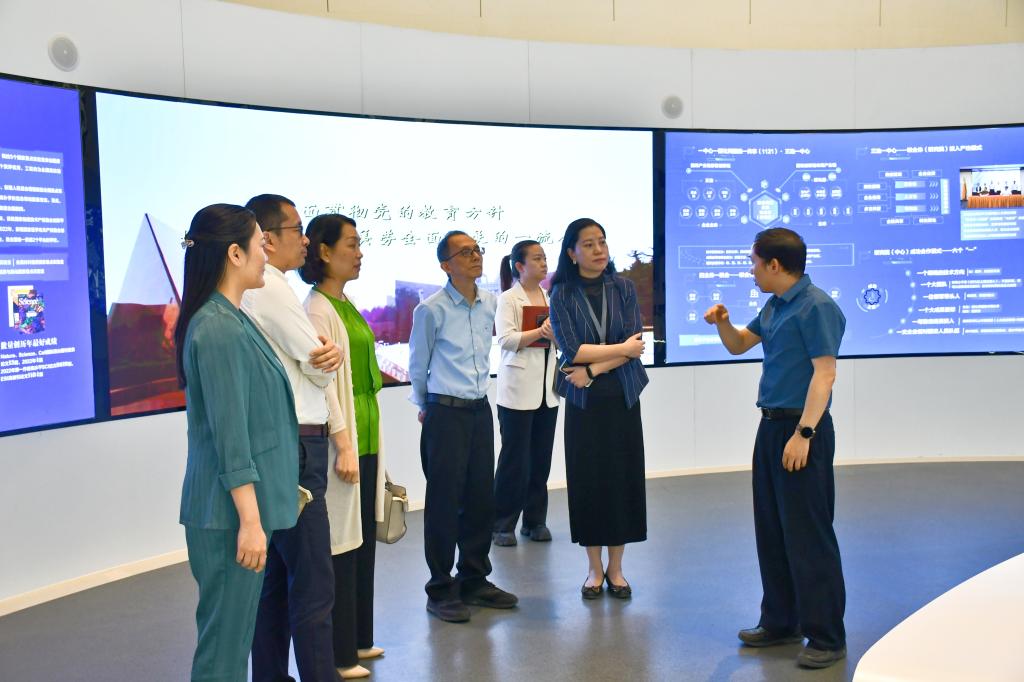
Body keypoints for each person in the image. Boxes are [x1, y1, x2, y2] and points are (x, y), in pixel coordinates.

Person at [703, 227, 847, 670]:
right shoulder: (775, 305)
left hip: (801, 430)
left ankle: (827, 636)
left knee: (808, 535)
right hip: (770, 428)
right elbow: (738, 345)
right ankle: (781, 621)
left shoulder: (817, 306)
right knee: (772, 530)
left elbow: (825, 374)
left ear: (774, 264)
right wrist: (722, 322)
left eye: (754, 263)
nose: (751, 271)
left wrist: (804, 433)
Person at [175, 204, 299, 682]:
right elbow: (231, 437)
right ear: (234, 253)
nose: (266, 254)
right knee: (223, 656)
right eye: (259, 243)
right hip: (228, 518)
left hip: (234, 513)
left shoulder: (230, 317)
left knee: (230, 644)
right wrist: (250, 521)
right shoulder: (219, 327)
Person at [241, 194, 347, 682]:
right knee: (312, 585)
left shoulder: (254, 289)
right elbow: (319, 364)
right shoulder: (272, 287)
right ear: (267, 238)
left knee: (277, 582)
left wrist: (322, 360)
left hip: (281, 443)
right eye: (297, 229)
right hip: (299, 446)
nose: (305, 240)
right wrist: (327, 362)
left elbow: (315, 360)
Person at [408, 230, 518, 623]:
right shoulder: (431, 310)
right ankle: (440, 588)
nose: (475, 256)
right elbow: (418, 365)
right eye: (465, 252)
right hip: (445, 413)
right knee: (443, 501)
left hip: (478, 410)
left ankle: (473, 579)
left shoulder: (490, 303)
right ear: (445, 265)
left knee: (480, 498)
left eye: (477, 249)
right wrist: (426, 406)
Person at [300, 214, 387, 676]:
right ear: (324, 251)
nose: (359, 252)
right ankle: (339, 654)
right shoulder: (316, 308)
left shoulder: (345, 303)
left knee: (363, 540)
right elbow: (326, 386)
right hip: (343, 443)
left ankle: (358, 639)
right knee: (341, 545)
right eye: (351, 244)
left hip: (365, 435)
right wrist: (345, 445)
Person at [548, 218, 648, 600]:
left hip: (622, 396)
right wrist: (621, 350)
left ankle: (616, 569)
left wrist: (593, 369)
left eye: (602, 242)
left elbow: (634, 346)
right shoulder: (561, 293)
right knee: (588, 481)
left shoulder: (623, 287)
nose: (598, 249)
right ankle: (594, 569)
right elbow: (573, 349)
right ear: (572, 253)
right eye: (588, 244)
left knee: (622, 480)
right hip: (584, 403)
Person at [491, 240, 559, 547]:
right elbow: (506, 340)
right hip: (517, 392)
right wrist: (540, 332)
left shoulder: (549, 296)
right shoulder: (508, 298)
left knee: (540, 460)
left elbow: (558, 339)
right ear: (520, 266)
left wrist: (557, 335)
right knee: (514, 461)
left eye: (545, 258)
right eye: (537, 259)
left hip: (547, 390)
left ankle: (535, 521)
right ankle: (501, 524)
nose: (544, 264)